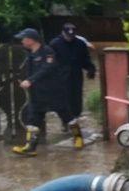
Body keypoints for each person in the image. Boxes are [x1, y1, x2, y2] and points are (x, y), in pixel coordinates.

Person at [12, 28, 83, 156]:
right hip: (37, 93)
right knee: (33, 119)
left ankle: (78, 137)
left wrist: (30, 80)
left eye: (23, 38)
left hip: (53, 91)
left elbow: (47, 68)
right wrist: (26, 82)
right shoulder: (30, 54)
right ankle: (30, 147)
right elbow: (30, 72)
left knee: (66, 114)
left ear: (31, 40)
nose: (21, 41)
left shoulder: (47, 51)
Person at [49, 23, 96, 120]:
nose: (70, 38)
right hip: (60, 76)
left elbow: (85, 59)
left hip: (76, 75)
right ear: (63, 33)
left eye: (72, 36)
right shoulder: (55, 44)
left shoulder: (80, 44)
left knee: (76, 96)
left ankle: (76, 117)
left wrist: (90, 69)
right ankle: (65, 118)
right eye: (68, 36)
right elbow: (50, 62)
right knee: (63, 97)